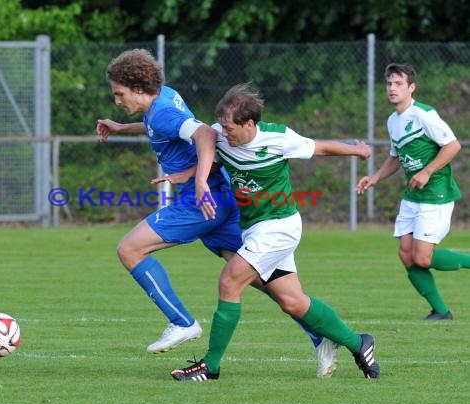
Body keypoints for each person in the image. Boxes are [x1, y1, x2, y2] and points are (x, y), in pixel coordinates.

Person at [96, 49, 339, 377]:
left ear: (137, 88)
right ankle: (320, 335)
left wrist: (198, 181)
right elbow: (163, 127)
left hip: (202, 201)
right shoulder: (163, 99)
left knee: (129, 249)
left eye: (119, 93)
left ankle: (182, 323)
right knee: (270, 284)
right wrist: (121, 127)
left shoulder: (163, 110)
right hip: (222, 200)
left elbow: (205, 133)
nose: (117, 100)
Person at [170, 82, 380, 381]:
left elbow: (319, 148)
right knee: (293, 302)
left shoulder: (278, 138)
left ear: (250, 123)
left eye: (229, 127)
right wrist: (191, 175)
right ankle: (359, 343)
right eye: (222, 126)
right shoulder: (222, 135)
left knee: (230, 281)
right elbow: (212, 158)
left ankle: (210, 366)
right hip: (254, 229)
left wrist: (358, 151)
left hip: (279, 227)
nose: (223, 133)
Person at [356, 63, 470, 320]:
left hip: (436, 193)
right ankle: (440, 311)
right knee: (407, 254)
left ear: (411, 88)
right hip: (413, 196)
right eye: (389, 84)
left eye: (398, 84)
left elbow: (453, 146)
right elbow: (396, 158)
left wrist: (427, 171)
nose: (392, 88)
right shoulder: (393, 121)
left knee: (422, 257)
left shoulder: (424, 115)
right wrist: (374, 178)